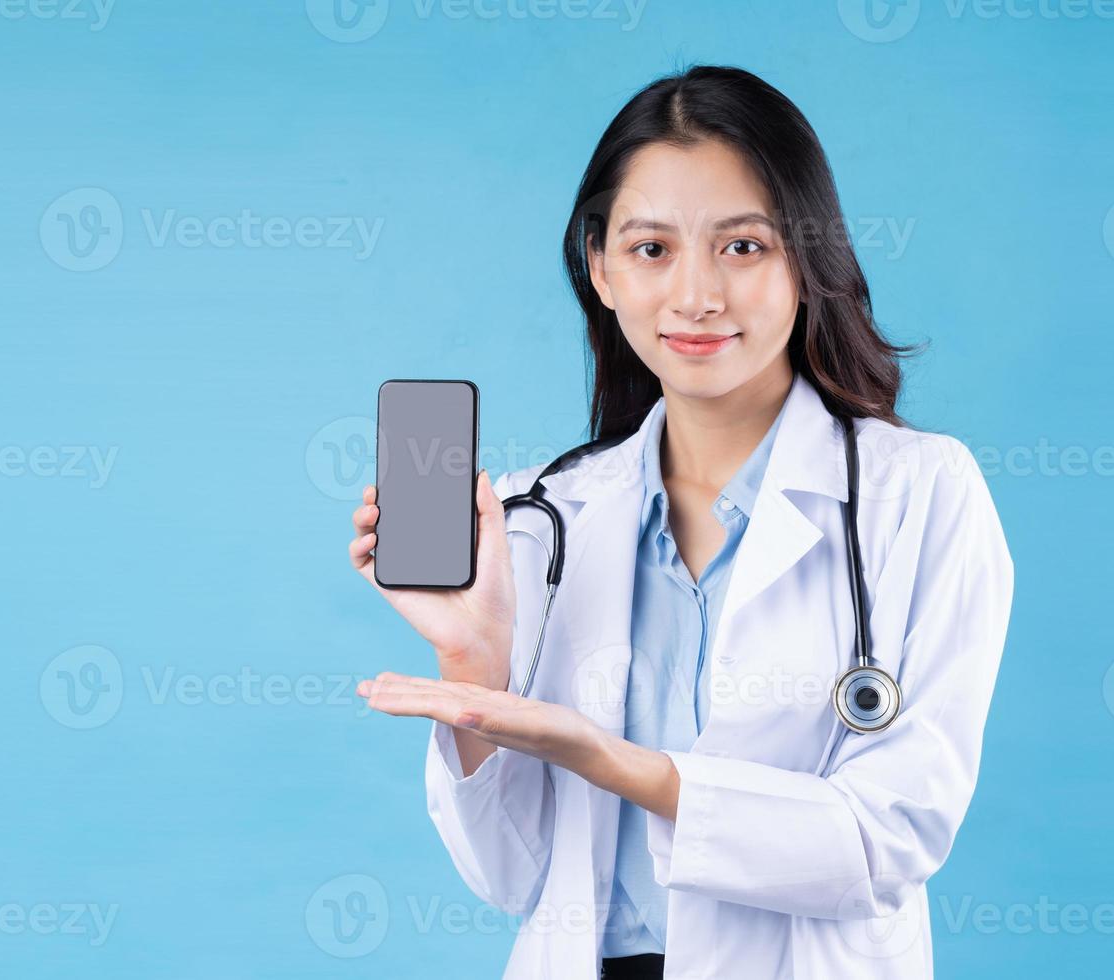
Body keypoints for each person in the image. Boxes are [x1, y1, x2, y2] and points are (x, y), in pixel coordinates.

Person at [346, 64, 1014, 980]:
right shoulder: (539, 521)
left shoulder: (918, 496)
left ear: (807, 258)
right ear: (600, 266)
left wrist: (621, 765)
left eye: (742, 248)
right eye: (652, 249)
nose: (695, 296)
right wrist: (473, 666)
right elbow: (512, 877)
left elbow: (890, 836)